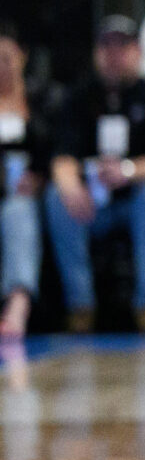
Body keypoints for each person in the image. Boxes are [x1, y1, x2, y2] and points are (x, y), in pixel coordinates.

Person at [44, 16, 145, 332]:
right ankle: (80, 306)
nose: (113, 54)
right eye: (105, 46)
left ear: (138, 51)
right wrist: (68, 184)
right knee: (57, 196)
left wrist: (128, 171)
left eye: (122, 46)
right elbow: (62, 154)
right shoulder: (78, 96)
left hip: (138, 202)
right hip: (93, 204)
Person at [0, 22, 51, 341]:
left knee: (17, 211)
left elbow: (54, 152)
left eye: (6, 57)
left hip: (27, 198)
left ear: (22, 57)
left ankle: (17, 306)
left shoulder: (44, 98)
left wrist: (41, 179)